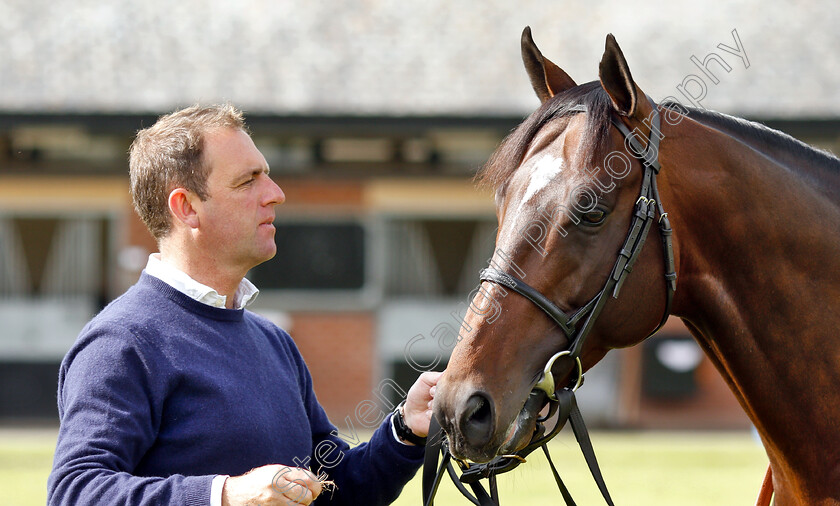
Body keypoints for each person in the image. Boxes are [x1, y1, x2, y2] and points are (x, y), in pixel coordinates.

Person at [47, 103, 441, 506]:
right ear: (187, 208)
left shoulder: (273, 341)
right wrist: (226, 495)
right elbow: (75, 492)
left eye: (266, 175)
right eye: (248, 181)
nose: (276, 195)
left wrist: (406, 430)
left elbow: (334, 485)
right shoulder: (121, 342)